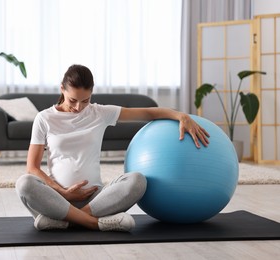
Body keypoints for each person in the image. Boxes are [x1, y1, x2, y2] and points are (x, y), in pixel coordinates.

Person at [16, 64, 210, 232]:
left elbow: (148, 113)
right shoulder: (44, 118)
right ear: (62, 90)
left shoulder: (100, 113)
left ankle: (69, 221)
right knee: (24, 183)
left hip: (97, 200)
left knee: (137, 180)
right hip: (57, 199)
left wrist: (181, 116)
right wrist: (63, 192)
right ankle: (93, 224)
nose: (78, 107)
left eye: (85, 100)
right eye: (72, 100)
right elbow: (32, 167)